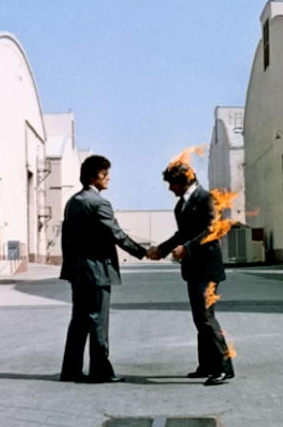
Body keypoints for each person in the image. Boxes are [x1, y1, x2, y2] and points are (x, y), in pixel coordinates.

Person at [59, 155, 147, 383]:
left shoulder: (72, 202)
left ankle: (70, 370)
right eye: (104, 174)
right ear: (92, 177)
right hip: (97, 269)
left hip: (78, 269)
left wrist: (70, 264)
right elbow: (117, 234)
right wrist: (143, 252)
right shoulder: (99, 203)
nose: (108, 178)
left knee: (79, 320)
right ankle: (100, 371)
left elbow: (65, 237)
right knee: (98, 319)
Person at [147, 162, 235, 386]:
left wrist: (188, 248)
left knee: (205, 317)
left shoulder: (207, 198)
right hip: (193, 269)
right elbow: (181, 234)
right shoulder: (181, 206)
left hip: (207, 267)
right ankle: (206, 365)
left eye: (171, 183)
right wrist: (162, 249)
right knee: (199, 318)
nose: (169, 188)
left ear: (182, 181)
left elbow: (213, 230)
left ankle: (223, 367)